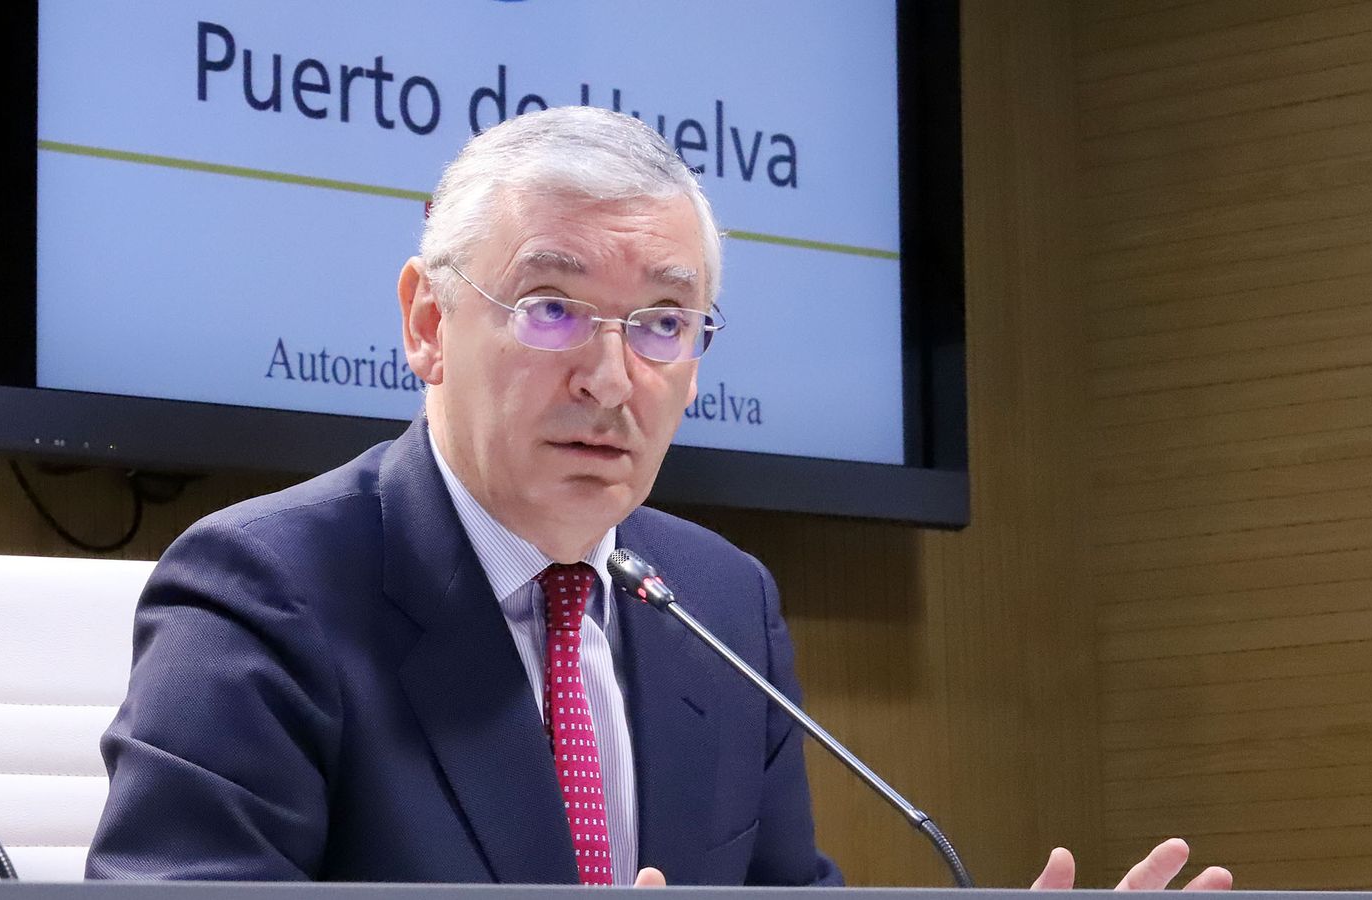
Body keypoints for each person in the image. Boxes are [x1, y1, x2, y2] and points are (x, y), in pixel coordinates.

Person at [86, 106, 1231, 891]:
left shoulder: (722, 606)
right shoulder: (265, 592)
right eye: (550, 308)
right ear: (428, 324)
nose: (609, 375)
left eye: (662, 325)